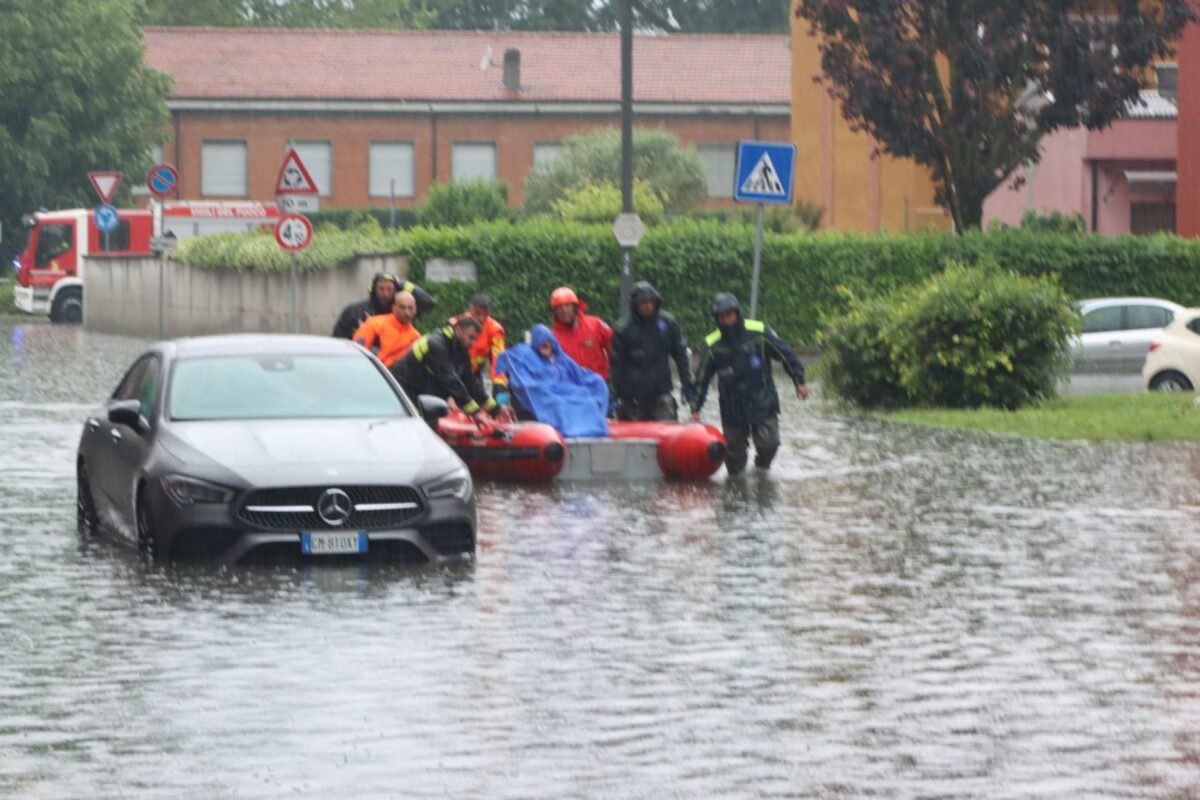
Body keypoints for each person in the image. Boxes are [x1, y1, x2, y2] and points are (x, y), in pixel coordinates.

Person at [690, 292, 808, 474]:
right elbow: (701, 379)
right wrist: (695, 408)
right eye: (721, 316)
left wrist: (799, 381)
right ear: (717, 319)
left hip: (762, 399)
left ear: (737, 313)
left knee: (770, 444)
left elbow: (786, 354)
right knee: (734, 459)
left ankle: (760, 471)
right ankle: (738, 486)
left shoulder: (759, 332)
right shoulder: (712, 344)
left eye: (729, 314)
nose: (726, 319)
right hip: (732, 405)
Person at [391, 315, 515, 425]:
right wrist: (475, 412)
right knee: (420, 425)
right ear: (458, 330)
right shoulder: (437, 344)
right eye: (471, 337)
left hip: (421, 393)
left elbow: (471, 383)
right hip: (402, 391)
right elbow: (451, 380)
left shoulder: (461, 349)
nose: (473, 343)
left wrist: (497, 408)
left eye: (475, 339)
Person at [494, 324, 609, 437]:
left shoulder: (560, 358)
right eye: (541, 342)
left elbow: (579, 373)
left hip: (566, 390)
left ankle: (591, 428)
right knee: (559, 403)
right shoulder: (527, 356)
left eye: (547, 341)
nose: (545, 344)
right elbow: (523, 380)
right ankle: (569, 429)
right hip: (545, 392)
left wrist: (596, 380)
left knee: (587, 399)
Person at [611, 281, 695, 421]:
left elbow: (681, 357)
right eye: (643, 302)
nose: (648, 306)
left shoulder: (668, 323)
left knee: (668, 432)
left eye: (651, 301)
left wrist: (687, 386)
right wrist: (613, 396)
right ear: (635, 304)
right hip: (632, 398)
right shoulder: (623, 329)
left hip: (661, 394)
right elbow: (616, 367)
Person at [331, 272, 436, 339]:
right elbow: (338, 338)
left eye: (389, 289)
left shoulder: (401, 310)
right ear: (373, 290)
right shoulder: (354, 310)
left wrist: (402, 284)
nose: (385, 293)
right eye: (381, 289)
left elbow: (428, 302)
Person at [549, 286, 613, 381]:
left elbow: (614, 347)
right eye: (559, 307)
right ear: (555, 312)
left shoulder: (595, 324)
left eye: (567, 305)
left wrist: (612, 371)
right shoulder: (552, 336)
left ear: (575, 307)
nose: (564, 311)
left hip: (597, 385)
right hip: (570, 388)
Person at [351, 290, 420, 367]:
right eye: (402, 307)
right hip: (369, 370)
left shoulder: (416, 338)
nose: (407, 312)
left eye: (410, 308)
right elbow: (356, 351)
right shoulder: (375, 324)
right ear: (393, 308)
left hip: (393, 377)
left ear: (415, 310)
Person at [465, 292, 510, 405]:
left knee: (494, 403)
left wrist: (501, 400)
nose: (481, 318)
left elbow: (499, 362)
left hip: (474, 375)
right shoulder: (457, 324)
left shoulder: (495, 330)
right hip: (453, 374)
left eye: (485, 314)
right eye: (477, 313)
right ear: (470, 309)